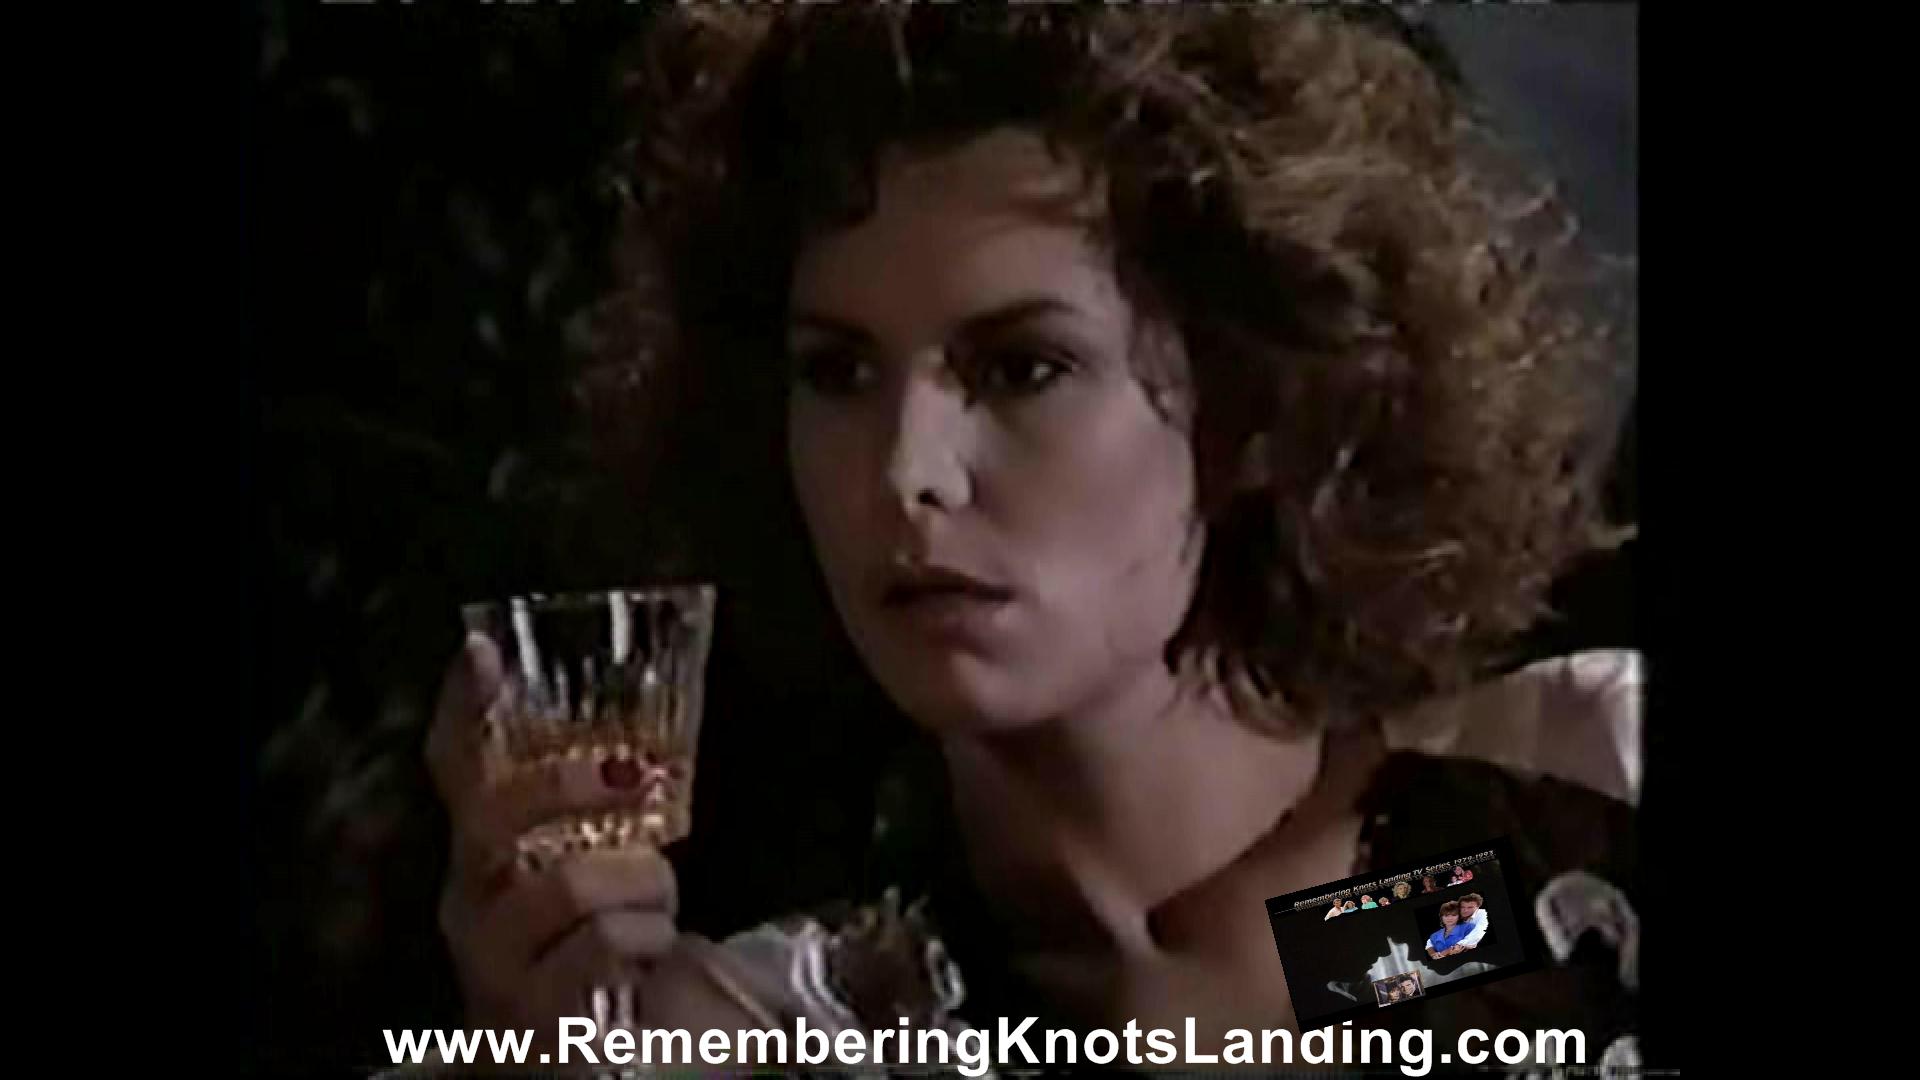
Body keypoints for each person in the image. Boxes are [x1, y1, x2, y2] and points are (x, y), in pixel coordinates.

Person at [423, 2, 1640, 1067]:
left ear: (1264, 408)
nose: (907, 470)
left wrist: (1255, 988)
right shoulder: (781, 1027)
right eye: (838, 372)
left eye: (1022, 367)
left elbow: (1438, 936)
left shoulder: (1559, 820)